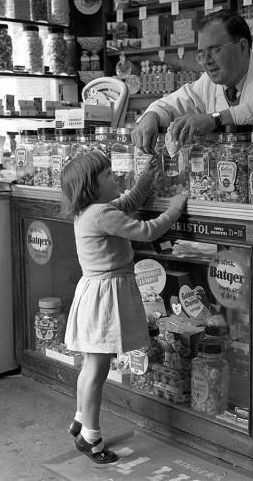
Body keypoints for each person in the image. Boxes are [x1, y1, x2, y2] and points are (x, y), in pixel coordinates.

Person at [60, 150, 187, 464]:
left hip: (95, 291)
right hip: (105, 296)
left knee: (90, 365)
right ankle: (90, 437)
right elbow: (147, 231)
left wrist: (144, 180)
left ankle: (79, 417)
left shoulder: (90, 210)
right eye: (106, 175)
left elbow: (127, 202)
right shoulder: (102, 214)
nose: (114, 176)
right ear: (91, 187)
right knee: (97, 369)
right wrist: (173, 209)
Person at [131, 9, 253, 153]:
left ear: (242, 47)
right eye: (201, 54)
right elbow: (171, 103)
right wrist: (152, 116)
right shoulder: (207, 83)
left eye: (215, 50)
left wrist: (217, 119)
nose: (207, 60)